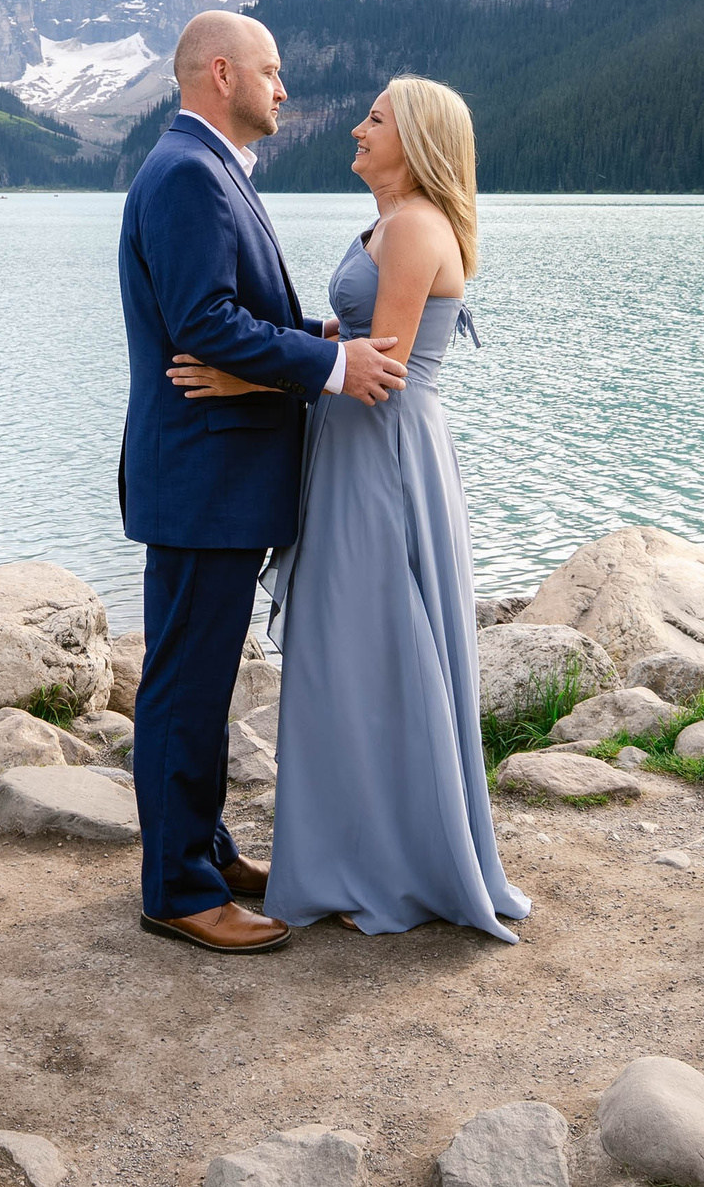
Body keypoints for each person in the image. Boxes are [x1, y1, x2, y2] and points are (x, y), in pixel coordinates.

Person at [168, 75, 527, 940]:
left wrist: (239, 373)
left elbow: (380, 372)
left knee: (373, 652)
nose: (357, 129)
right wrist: (283, 360)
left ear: (417, 139)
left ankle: (384, 863)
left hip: (382, 460)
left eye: (375, 119)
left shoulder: (411, 226)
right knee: (352, 652)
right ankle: (353, 852)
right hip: (361, 452)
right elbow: (348, 343)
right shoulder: (391, 223)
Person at [115, 10, 408, 955]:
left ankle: (203, 847)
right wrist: (332, 369)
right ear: (222, 74)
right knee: (185, 686)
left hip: (215, 472)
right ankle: (176, 892)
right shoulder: (188, 175)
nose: (286, 91)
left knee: (197, 679)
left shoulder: (207, 171)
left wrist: (325, 341)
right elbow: (205, 321)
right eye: (273, 73)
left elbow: (247, 317)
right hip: (204, 474)